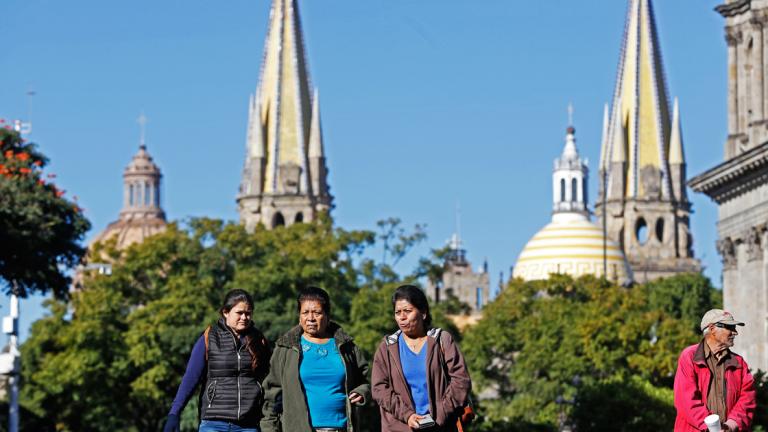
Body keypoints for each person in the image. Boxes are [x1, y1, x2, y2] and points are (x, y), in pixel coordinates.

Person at [260, 286, 370, 432]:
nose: (310, 318)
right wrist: (269, 428)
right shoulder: (285, 349)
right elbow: (271, 394)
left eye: (317, 313)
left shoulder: (347, 347)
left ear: (327, 315)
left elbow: (364, 380)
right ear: (299, 316)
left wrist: (362, 392)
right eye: (305, 312)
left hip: (341, 428)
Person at [163, 289, 271, 432]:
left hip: (248, 424)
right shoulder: (209, 338)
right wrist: (174, 413)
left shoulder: (259, 340)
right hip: (213, 423)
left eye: (248, 313)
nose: (244, 317)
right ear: (226, 312)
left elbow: (269, 380)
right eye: (239, 313)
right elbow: (191, 378)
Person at [372, 284, 472, 432]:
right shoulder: (387, 347)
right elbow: (379, 389)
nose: (402, 317)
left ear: (423, 313)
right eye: (398, 312)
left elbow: (460, 380)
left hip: (440, 426)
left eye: (408, 311)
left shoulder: (442, 340)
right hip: (400, 426)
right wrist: (408, 416)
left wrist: (439, 415)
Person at [673, 309, 756, 431]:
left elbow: (748, 398)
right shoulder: (690, 357)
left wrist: (731, 425)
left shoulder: (739, 363)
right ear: (712, 329)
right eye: (730, 327)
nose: (735, 333)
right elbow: (686, 401)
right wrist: (713, 428)